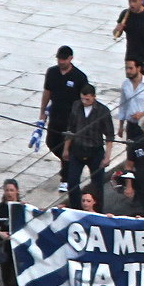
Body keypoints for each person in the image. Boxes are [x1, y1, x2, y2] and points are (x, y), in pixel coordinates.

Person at [38, 45, 88, 192]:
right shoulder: (52, 72)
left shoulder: (79, 77)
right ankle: (72, 163)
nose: (61, 62)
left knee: (67, 148)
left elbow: (85, 98)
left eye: (64, 59)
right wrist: (42, 112)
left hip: (71, 119)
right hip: (55, 116)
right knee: (52, 142)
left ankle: (66, 178)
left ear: (70, 59)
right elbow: (47, 92)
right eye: (59, 59)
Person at [63, 84, 114, 211]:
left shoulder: (103, 111)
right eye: (83, 99)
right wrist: (66, 148)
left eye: (88, 99)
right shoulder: (76, 106)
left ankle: (98, 211)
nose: (85, 102)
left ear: (94, 97)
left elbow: (109, 136)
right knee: (72, 182)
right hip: (78, 149)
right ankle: (75, 209)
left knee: (97, 185)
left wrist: (107, 157)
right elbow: (71, 129)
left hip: (95, 151)